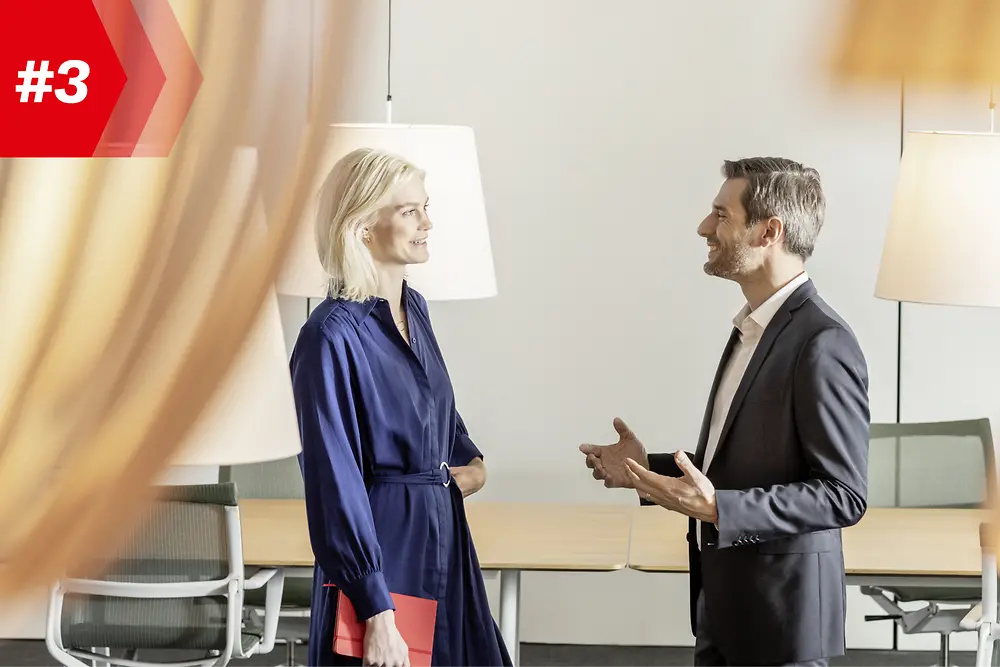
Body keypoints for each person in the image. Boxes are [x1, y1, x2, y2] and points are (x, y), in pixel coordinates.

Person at [580, 157, 870, 667]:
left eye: (720, 215)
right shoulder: (751, 329)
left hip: (783, 623)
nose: (703, 228)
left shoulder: (822, 343)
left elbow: (843, 495)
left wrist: (720, 510)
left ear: (769, 231)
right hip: (725, 607)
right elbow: (739, 467)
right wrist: (647, 469)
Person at [289, 147, 513, 667]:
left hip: (443, 533)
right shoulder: (328, 336)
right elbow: (332, 483)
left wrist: (470, 462)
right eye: (411, 211)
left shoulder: (414, 307)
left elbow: (436, 409)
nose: (428, 223)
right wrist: (376, 610)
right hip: (387, 551)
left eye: (425, 207)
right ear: (363, 225)